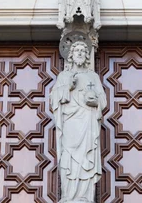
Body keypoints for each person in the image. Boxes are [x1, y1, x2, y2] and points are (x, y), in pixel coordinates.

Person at [50, 41, 106, 203]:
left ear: (87, 56)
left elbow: (102, 99)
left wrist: (95, 102)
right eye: (77, 51)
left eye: (83, 51)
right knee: (69, 157)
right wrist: (67, 87)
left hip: (87, 122)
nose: (80, 53)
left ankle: (84, 196)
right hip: (70, 123)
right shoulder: (64, 76)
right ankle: (68, 195)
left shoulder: (93, 77)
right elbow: (53, 98)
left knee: (86, 157)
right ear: (71, 56)